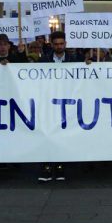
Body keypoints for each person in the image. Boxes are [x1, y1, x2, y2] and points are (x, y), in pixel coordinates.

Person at [38, 31, 78, 182]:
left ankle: (60, 165)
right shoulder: (44, 60)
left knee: (62, 134)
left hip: (66, 103)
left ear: (65, 44)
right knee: (46, 133)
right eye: (56, 44)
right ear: (52, 44)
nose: (59, 46)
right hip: (48, 102)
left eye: (61, 44)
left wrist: (88, 64)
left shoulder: (74, 60)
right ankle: (46, 166)